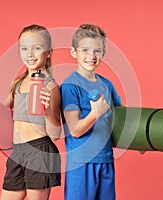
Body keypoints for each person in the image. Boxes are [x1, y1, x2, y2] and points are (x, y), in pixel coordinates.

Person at [60, 24, 122, 200]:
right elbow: (75, 130)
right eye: (85, 50)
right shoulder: (70, 86)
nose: (91, 56)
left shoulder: (107, 84)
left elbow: (122, 113)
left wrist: (140, 139)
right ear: (74, 52)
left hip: (105, 159)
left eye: (97, 51)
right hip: (81, 163)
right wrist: (95, 113)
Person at [0, 24, 62, 200]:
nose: (30, 54)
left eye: (37, 48)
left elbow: (55, 135)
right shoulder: (18, 84)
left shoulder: (51, 86)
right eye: (24, 48)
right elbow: (0, 114)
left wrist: (48, 110)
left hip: (39, 150)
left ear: (48, 52)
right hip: (18, 152)